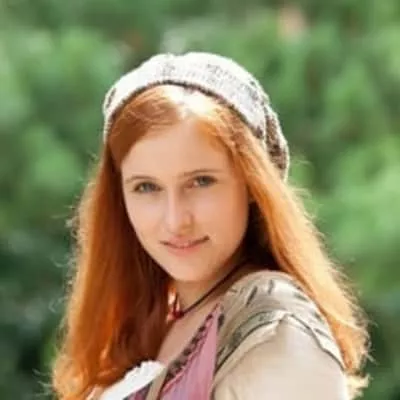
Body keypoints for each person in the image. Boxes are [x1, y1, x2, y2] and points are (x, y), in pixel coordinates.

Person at [51, 52, 369, 400]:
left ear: (252, 185)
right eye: (147, 187)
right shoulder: (150, 324)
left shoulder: (276, 331)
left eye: (201, 182)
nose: (175, 220)